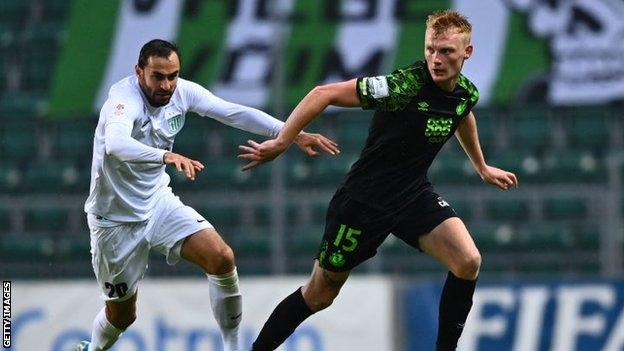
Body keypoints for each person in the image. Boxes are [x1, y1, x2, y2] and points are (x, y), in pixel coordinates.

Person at [239, 10, 518, 351]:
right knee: (320, 294)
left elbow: (462, 114)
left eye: (446, 51)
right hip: (363, 204)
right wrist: (283, 141)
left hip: (413, 195)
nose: (436, 58)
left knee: (468, 261)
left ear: (467, 53)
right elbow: (322, 93)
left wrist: (482, 166)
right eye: (431, 49)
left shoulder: (464, 93)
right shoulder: (403, 86)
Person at [76, 39, 338, 351]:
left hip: (157, 202)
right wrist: (166, 157)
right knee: (122, 317)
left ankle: (232, 347)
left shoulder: (182, 92)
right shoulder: (122, 102)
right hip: (114, 221)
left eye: (172, 75)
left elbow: (232, 112)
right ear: (139, 72)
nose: (167, 84)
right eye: (158, 76)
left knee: (221, 257)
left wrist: (292, 133)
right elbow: (115, 144)